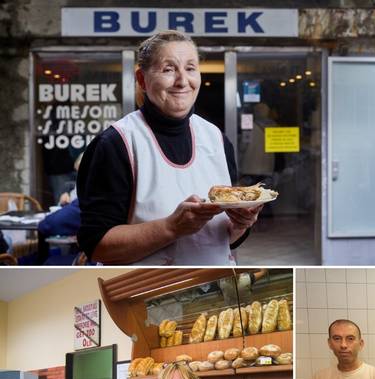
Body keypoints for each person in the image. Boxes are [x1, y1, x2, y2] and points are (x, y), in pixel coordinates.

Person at [77, 30, 262, 265]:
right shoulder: (116, 143)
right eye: (168, 69)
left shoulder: (216, 139)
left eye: (190, 68)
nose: (183, 81)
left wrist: (240, 224)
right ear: (142, 80)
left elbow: (225, 238)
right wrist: (171, 227)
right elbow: (97, 246)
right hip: (148, 287)